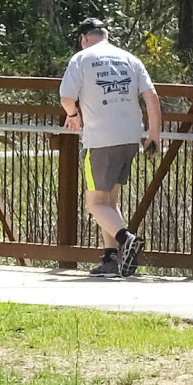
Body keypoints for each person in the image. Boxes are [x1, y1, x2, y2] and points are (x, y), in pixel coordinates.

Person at [57, 18, 164, 277]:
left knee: (94, 204)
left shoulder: (82, 59)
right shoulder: (129, 59)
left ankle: (126, 239)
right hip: (130, 137)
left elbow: (66, 96)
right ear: (106, 35)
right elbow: (151, 96)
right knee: (109, 201)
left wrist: (73, 114)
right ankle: (111, 260)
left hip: (100, 139)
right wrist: (154, 134)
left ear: (84, 39)